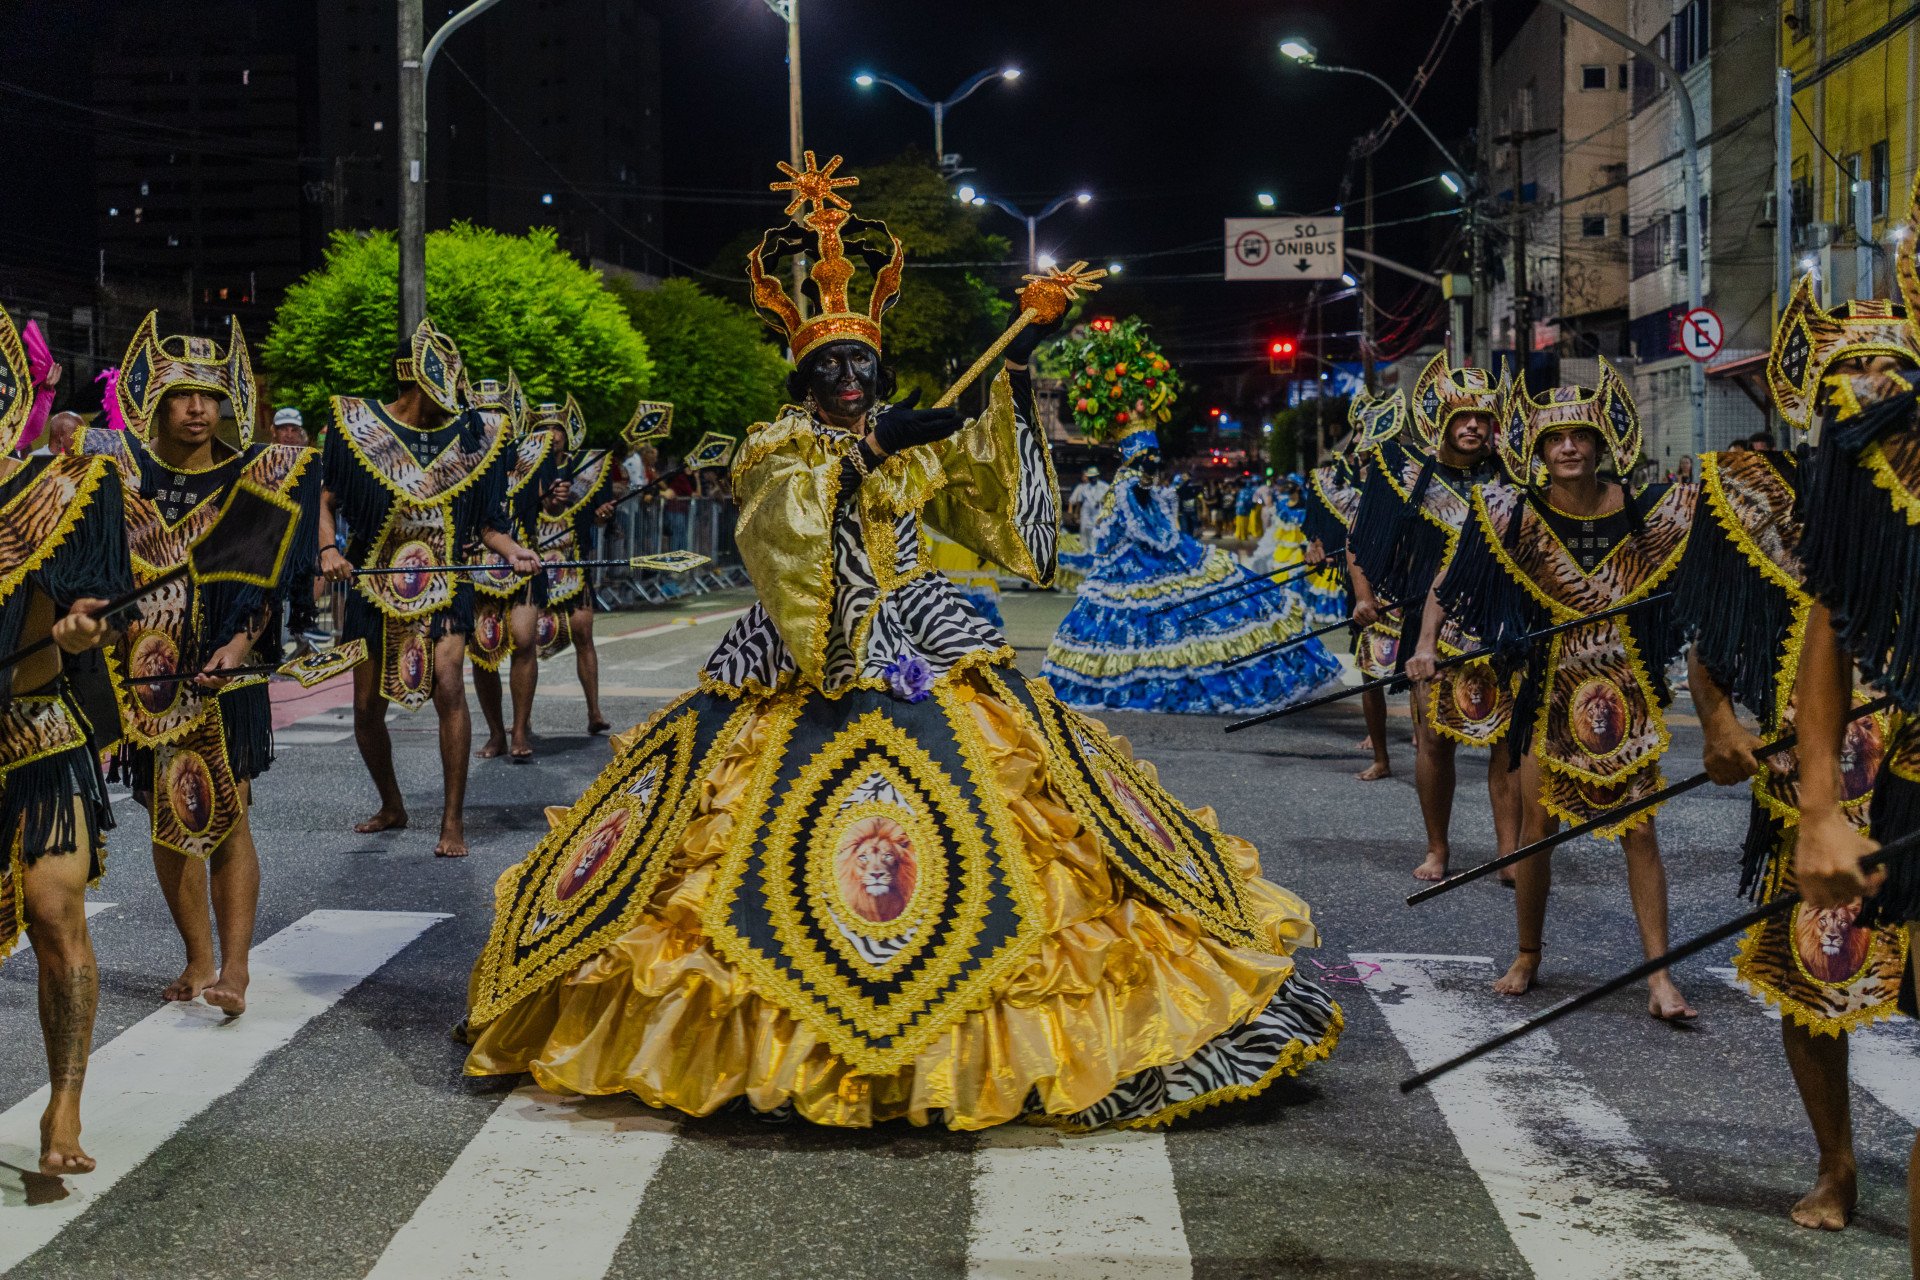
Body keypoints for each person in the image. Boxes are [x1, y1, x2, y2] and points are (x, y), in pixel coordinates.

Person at [461, 153, 1340, 1128]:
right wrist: (867, 453)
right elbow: (779, 528)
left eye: (861, 366)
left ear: (879, 367)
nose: (846, 380)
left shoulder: (903, 433)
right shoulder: (777, 444)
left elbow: (999, 509)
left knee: (1033, 822)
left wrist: (1000, 380)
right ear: (803, 374)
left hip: (924, 644)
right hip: (806, 656)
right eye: (828, 367)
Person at [1675, 277, 1915, 1231]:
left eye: (1889, 364)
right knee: (1819, 969)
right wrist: (1722, 723)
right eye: (1848, 364)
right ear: (1807, 382)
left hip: (1911, 757)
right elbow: (1708, 622)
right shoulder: (1754, 490)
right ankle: (1838, 1161)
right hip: (1813, 768)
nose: (1867, 380)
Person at [1439, 359, 1697, 1017]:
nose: (1569, 447)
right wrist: (1433, 648)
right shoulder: (1514, 516)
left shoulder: (1646, 514)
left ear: (1602, 442)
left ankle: (1660, 976)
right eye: (1554, 439)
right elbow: (1463, 584)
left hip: (1623, 690)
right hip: (1545, 690)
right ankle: (1528, 953)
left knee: (1640, 832)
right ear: (1538, 451)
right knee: (1536, 829)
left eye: (1580, 434)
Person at [80, 314, 319, 1018]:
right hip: (141, 677)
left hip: (225, 668)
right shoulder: (111, 465)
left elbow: (263, 589)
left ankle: (237, 967)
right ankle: (197, 956)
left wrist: (238, 649)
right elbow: (91, 567)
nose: (196, 409)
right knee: (164, 811)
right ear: (156, 397)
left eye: (209, 396)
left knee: (229, 812)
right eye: (183, 393)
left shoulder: (262, 473)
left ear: (228, 403)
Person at [316, 320, 538, 857]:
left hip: (444, 581)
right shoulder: (356, 426)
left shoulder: (474, 436)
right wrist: (329, 551)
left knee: (448, 684)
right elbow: (323, 500)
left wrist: (512, 552)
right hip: (373, 582)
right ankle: (392, 803)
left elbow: (487, 521)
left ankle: (452, 820)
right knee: (366, 706)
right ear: (413, 378)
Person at [0, 303, 130, 1176]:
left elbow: (92, 609)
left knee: (55, 914)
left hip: (36, 734)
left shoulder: (66, 490)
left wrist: (84, 630)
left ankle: (65, 1105)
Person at [1043, 407, 1342, 712]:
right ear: (1136, 455)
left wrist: (1175, 493)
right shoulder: (1129, 485)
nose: (1155, 461)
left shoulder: (1132, 482)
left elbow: (1157, 513)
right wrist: (1177, 531)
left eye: (1156, 455)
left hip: (1140, 563)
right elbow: (1154, 533)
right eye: (1150, 455)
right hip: (1132, 570)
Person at [1353, 354, 1520, 883]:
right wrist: (1373, 596)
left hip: (1500, 618)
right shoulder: (1403, 472)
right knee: (1434, 740)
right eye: (1462, 415)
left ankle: (1508, 851)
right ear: (1441, 418)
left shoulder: (1514, 477)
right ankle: (1438, 848)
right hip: (1430, 627)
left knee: (1507, 740)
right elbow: (1363, 544)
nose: (1473, 425)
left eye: (1483, 417)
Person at [1305, 390, 1407, 781]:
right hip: (1366, 577)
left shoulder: (1410, 471)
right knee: (1369, 664)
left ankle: (1420, 733)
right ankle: (1380, 751)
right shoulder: (1338, 476)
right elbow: (1336, 529)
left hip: (1409, 577)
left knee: (1417, 663)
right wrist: (1316, 544)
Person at [470, 387, 564, 762]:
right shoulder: (465, 457)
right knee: (484, 649)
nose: (494, 421)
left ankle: (520, 727)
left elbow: (551, 502)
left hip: (524, 560)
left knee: (524, 640)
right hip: (479, 565)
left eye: (500, 413)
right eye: (486, 413)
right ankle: (496, 731)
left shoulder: (536, 455)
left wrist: (556, 499)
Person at [528, 395, 620, 735]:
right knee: (526, 641)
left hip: (574, 561)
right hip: (534, 563)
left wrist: (600, 516)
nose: (552, 435)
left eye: (557, 428)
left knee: (583, 632)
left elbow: (599, 517)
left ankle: (594, 711)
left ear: (567, 432)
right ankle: (522, 720)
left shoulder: (588, 466)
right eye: (544, 429)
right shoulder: (524, 470)